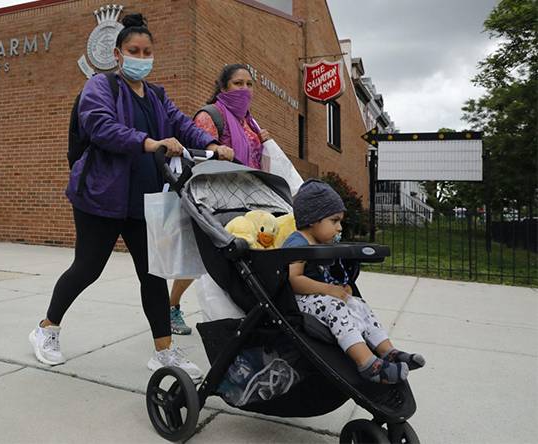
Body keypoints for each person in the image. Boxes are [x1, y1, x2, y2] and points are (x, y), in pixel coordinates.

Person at [28, 13, 234, 380]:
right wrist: (149, 142)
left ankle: (164, 351)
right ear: (118, 54)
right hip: (101, 198)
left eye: (147, 51)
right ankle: (47, 328)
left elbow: (182, 124)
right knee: (87, 268)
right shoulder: (100, 87)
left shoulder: (156, 95)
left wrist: (213, 143)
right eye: (133, 50)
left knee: (152, 275)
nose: (141, 56)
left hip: (145, 201)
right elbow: (101, 126)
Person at [282, 179, 425, 384]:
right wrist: (329, 290)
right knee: (335, 308)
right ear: (313, 219)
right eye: (334, 221)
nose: (340, 228)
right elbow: (294, 280)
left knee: (359, 304)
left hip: (321, 297)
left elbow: (327, 274)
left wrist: (341, 287)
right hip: (301, 300)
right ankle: (367, 363)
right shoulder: (297, 242)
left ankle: (388, 351)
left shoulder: (321, 242)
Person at [169, 64, 272, 335]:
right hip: (216, 198)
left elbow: (254, 156)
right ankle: (172, 306)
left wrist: (262, 142)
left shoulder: (250, 121)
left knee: (239, 256)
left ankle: (240, 313)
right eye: (238, 83)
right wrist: (217, 149)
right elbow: (199, 154)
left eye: (250, 84)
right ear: (224, 87)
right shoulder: (210, 115)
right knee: (203, 259)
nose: (245, 89)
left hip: (247, 196)